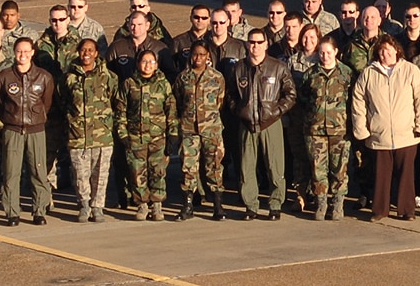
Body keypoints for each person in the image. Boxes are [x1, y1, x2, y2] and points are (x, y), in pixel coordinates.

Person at [352, 35, 420, 220]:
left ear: (396, 50)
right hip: (379, 135)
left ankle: (407, 209)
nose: (384, 53)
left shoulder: (410, 70)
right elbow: (358, 102)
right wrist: (362, 130)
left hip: (407, 134)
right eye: (381, 50)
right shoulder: (369, 73)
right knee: (381, 176)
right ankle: (379, 210)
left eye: (388, 49)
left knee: (406, 175)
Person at [229, 27, 296, 219]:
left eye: (259, 42)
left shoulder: (278, 67)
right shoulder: (239, 68)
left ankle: (275, 205)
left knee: (275, 166)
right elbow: (230, 95)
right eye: (252, 42)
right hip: (247, 124)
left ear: (266, 44)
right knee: (246, 167)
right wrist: (239, 110)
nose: (255, 46)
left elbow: (290, 95)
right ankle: (251, 205)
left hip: (271, 123)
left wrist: (276, 112)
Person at [0, 38, 55, 225]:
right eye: (19, 51)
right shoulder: (3, 77)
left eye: (26, 51)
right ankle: (12, 212)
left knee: (38, 170)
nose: (23, 55)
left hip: (36, 130)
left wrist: (36, 119)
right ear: (14, 52)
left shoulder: (44, 77)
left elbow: (47, 102)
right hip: (13, 130)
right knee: (11, 172)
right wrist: (10, 118)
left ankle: (39, 211)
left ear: (33, 52)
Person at [117, 47, 177, 220]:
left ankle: (157, 205)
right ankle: (142, 204)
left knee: (158, 171)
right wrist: (123, 135)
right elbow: (121, 111)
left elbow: (171, 110)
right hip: (136, 138)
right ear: (137, 64)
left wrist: (173, 134)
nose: (148, 65)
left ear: (157, 64)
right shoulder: (129, 84)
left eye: (151, 61)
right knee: (137, 173)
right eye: (144, 61)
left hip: (158, 138)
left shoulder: (163, 84)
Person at [64, 38, 120, 222]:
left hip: (101, 135)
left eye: (90, 50)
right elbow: (62, 100)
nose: (86, 54)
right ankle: (84, 204)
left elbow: (114, 100)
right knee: (81, 174)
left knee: (100, 175)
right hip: (78, 135)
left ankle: (97, 206)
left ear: (96, 53)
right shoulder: (69, 77)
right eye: (83, 50)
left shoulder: (108, 77)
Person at [175, 42, 229, 220]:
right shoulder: (183, 77)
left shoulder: (217, 77)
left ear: (208, 57)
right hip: (189, 130)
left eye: (202, 55)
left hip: (211, 129)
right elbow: (179, 100)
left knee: (213, 166)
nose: (198, 58)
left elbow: (220, 102)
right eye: (195, 54)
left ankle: (217, 205)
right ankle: (188, 204)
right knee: (188, 168)